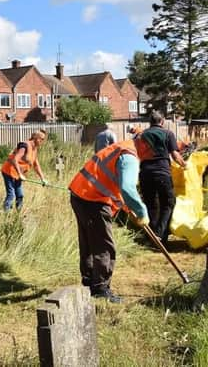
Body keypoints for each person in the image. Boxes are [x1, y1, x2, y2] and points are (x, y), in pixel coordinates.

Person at [69, 140, 149, 303]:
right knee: (104, 246)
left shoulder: (123, 147)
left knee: (89, 243)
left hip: (80, 194)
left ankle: (89, 282)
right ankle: (99, 288)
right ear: (147, 147)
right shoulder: (129, 157)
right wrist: (142, 211)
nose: (150, 158)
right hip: (92, 200)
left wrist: (128, 207)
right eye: (152, 154)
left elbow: (113, 183)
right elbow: (127, 188)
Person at [135, 112, 186, 244]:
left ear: (150, 122)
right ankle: (160, 235)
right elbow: (175, 155)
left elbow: (136, 154)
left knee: (150, 204)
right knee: (168, 204)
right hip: (162, 173)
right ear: (162, 121)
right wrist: (185, 165)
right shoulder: (168, 134)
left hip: (145, 173)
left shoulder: (141, 135)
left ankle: (151, 236)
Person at [0, 130, 48, 211]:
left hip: (18, 174)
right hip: (9, 171)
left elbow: (36, 165)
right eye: (42, 139)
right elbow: (15, 159)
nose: (43, 141)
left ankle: (18, 215)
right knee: (11, 195)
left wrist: (42, 178)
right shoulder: (25, 146)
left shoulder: (35, 148)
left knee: (20, 195)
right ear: (36, 138)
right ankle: (5, 215)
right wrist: (20, 174)